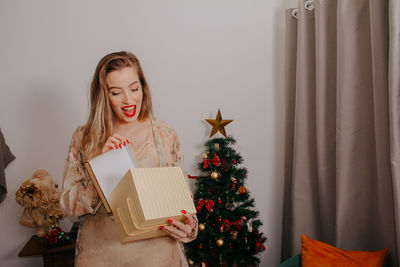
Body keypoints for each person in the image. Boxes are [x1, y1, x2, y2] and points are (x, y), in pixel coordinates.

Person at [60, 51, 197, 267]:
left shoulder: (164, 133)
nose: (128, 100)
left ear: (143, 86)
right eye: (116, 92)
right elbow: (68, 205)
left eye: (134, 88)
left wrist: (190, 227)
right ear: (104, 95)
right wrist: (103, 167)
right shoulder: (84, 137)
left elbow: (183, 200)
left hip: (158, 258)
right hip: (100, 256)